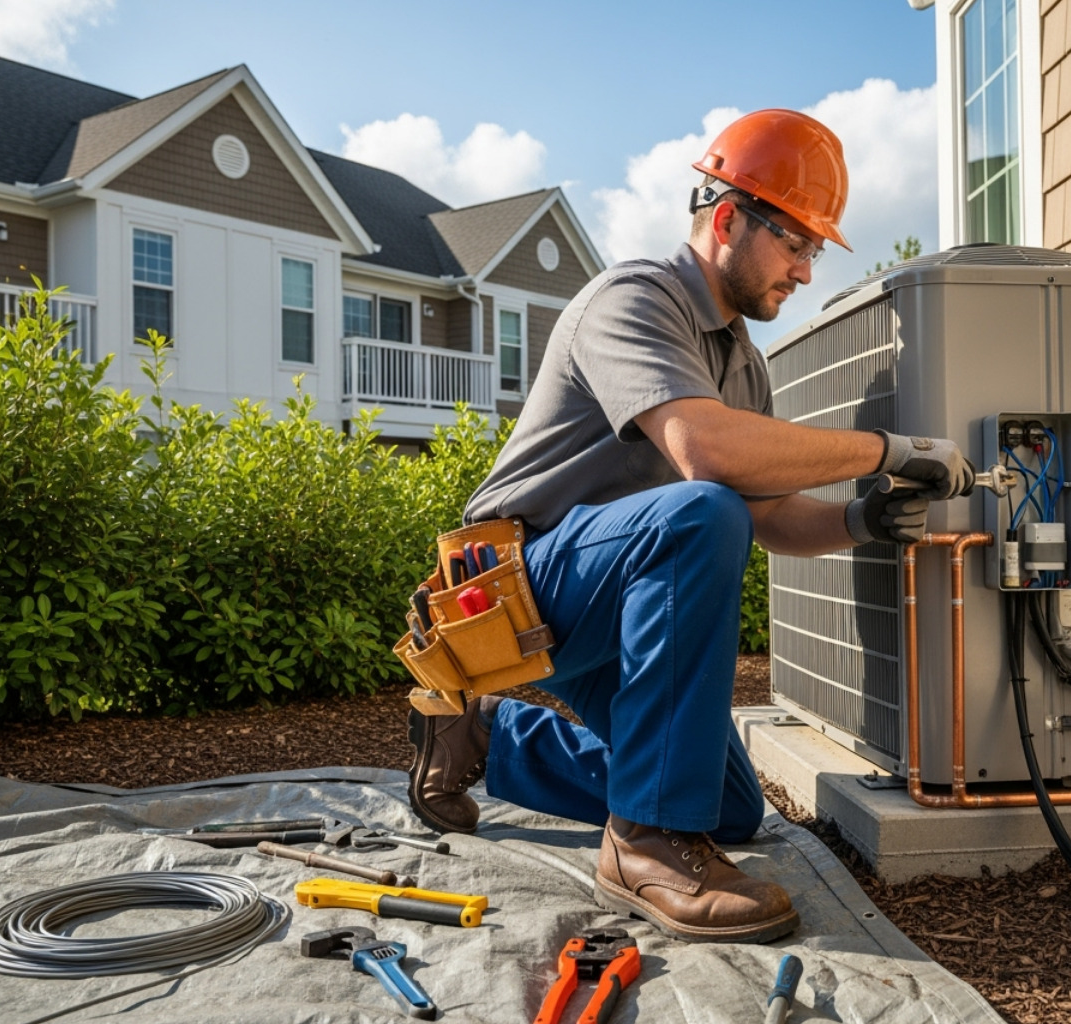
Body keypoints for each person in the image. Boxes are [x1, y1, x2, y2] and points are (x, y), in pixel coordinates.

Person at [405, 108, 976, 944]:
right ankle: (642, 844)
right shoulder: (634, 299)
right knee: (702, 513)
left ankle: (492, 736)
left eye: (815, 251)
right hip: (511, 587)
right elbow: (707, 459)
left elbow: (769, 516)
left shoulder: (742, 362)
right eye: (796, 244)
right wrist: (891, 447)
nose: (806, 272)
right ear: (726, 219)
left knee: (729, 810)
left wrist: (863, 517)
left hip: (604, 595)